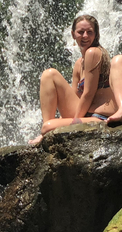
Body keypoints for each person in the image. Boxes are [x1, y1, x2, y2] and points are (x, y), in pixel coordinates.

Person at [30, 14, 116, 145]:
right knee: (49, 75)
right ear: (73, 34)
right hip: (85, 114)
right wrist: (62, 121)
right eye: (80, 32)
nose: (85, 36)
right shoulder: (78, 63)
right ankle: (47, 133)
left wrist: (73, 125)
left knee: (48, 127)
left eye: (89, 32)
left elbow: (88, 94)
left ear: (96, 34)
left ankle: (45, 134)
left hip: (99, 118)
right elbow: (75, 96)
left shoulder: (94, 53)